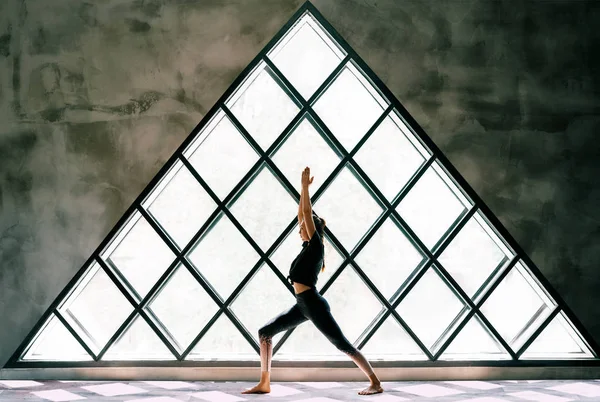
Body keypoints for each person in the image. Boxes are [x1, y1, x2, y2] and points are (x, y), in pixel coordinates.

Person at [242, 167, 384, 396]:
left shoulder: (316, 246)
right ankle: (265, 383)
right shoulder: (307, 248)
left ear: (313, 231)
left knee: (342, 345)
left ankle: (375, 382)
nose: (299, 230)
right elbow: (302, 215)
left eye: (302, 229)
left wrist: (306, 189)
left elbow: (307, 215)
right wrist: (301, 191)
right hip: (302, 304)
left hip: (314, 305)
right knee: (265, 332)